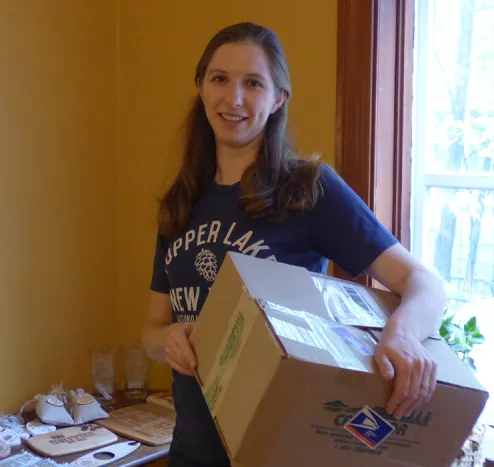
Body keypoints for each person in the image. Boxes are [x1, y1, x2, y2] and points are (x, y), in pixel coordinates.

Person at [141, 22, 447, 467]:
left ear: (278, 98)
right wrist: (167, 339)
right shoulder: (182, 201)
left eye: (253, 83)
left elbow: (425, 282)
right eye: (220, 79)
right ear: (202, 88)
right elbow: (151, 327)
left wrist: (401, 336)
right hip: (191, 452)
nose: (235, 99)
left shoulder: (307, 189)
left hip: (282, 451)